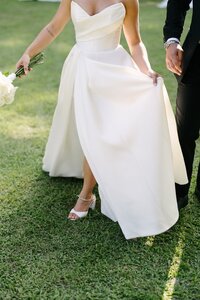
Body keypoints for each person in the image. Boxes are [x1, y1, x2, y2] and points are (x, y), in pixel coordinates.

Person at [16, 0, 187, 239]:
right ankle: (88, 192)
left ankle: (87, 193)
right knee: (92, 132)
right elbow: (53, 28)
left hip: (113, 72)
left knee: (103, 134)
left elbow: (135, 42)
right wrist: (28, 53)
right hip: (82, 69)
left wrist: (146, 70)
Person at [163, 0, 200, 209]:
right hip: (197, 57)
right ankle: (178, 192)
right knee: (185, 131)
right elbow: (178, 2)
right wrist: (172, 40)